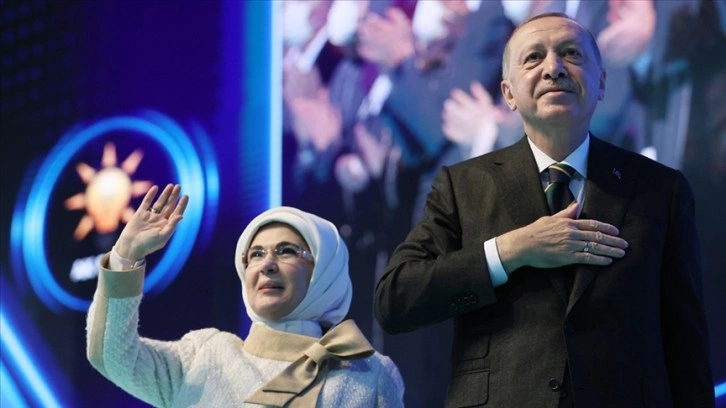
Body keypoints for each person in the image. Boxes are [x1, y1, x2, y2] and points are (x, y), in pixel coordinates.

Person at [374, 13, 714, 407]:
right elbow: (395, 301)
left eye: (571, 53)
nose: (554, 68)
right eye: (533, 57)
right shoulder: (462, 185)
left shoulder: (659, 189)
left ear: (602, 82)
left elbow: (686, 341)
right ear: (508, 93)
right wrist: (510, 251)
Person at [86, 184, 404, 407]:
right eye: (256, 254)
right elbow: (113, 356)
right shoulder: (204, 355)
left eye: (286, 251)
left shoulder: (370, 374)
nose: (267, 264)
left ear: (324, 270)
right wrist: (126, 254)